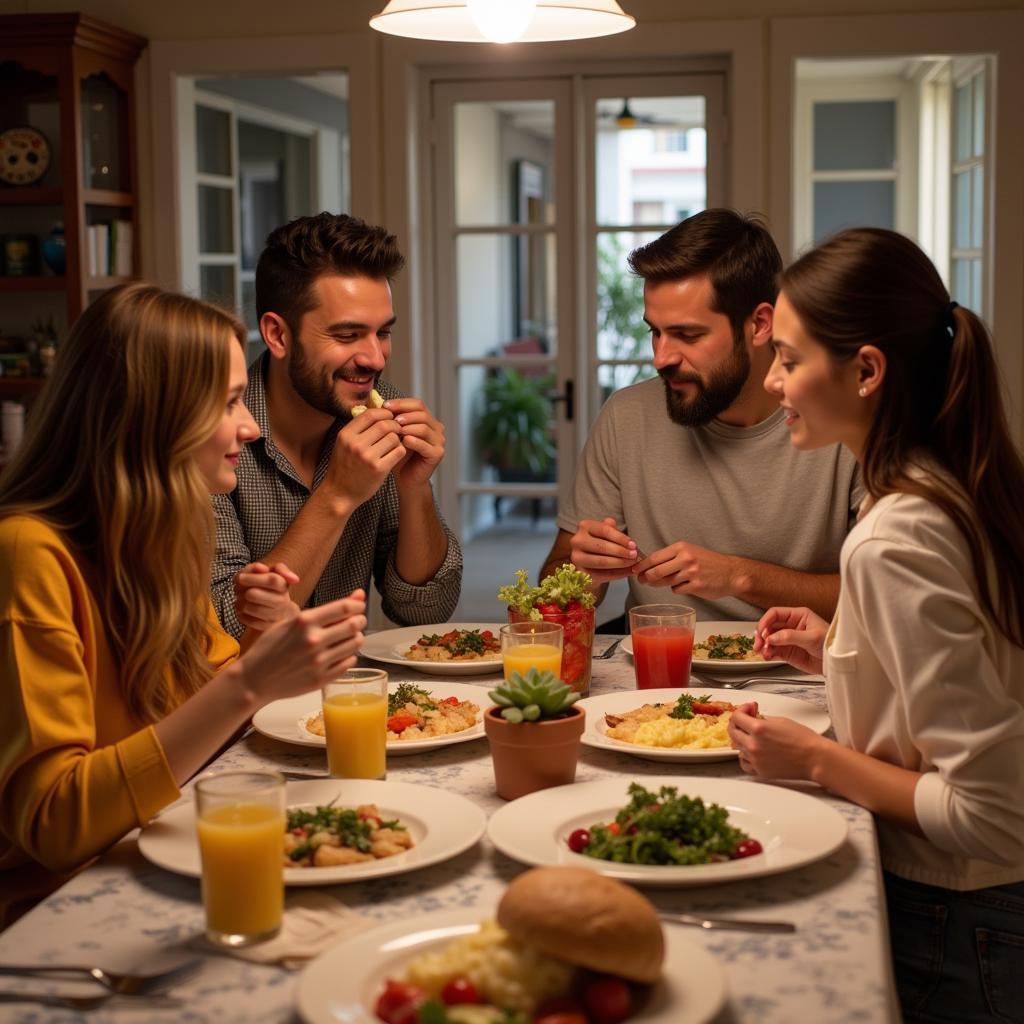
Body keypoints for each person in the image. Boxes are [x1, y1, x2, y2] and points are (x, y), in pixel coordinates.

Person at [0, 284, 367, 927]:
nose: (249, 427)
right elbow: (54, 826)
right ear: (153, 416)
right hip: (58, 913)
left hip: (161, 860)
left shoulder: (153, 543)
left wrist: (268, 649)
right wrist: (251, 682)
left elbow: (207, 713)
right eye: (229, 402)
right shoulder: (28, 554)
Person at [727, 227, 1024, 1022]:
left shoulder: (895, 536)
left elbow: (993, 809)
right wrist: (840, 657)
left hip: (964, 917)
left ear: (865, 371)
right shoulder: (935, 485)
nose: (773, 379)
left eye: (789, 358)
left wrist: (816, 758)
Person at [542, 209, 861, 624]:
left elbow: (881, 598)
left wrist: (740, 577)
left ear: (760, 324)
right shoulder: (627, 416)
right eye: (654, 331)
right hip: (655, 671)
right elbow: (547, 594)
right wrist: (583, 575)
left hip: (802, 666)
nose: (660, 358)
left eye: (688, 335)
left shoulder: (843, 423)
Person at [210, 213, 461, 638]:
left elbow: (425, 611)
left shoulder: (375, 412)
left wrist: (415, 487)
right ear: (278, 335)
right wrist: (338, 495)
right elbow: (225, 633)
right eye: (348, 335)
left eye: (382, 332)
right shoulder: (210, 437)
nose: (375, 359)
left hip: (347, 696)